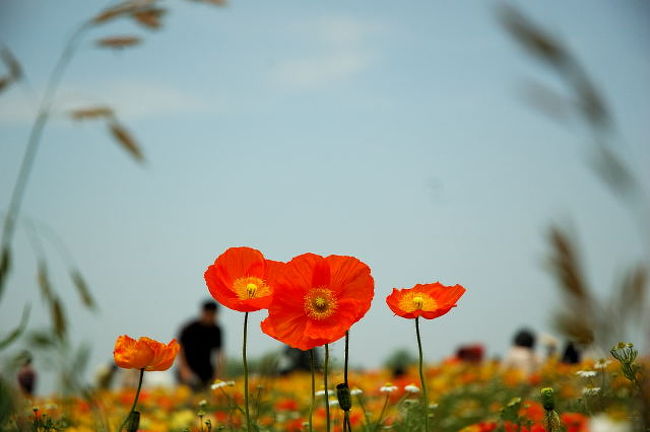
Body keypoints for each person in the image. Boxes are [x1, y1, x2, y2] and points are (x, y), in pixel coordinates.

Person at [177, 300, 224, 391]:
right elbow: (180, 348)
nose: (210, 318)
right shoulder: (189, 328)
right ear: (203, 313)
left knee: (205, 395)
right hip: (189, 367)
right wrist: (184, 369)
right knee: (188, 395)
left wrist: (218, 374)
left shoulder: (216, 330)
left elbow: (219, 353)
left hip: (206, 369)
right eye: (208, 314)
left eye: (213, 315)